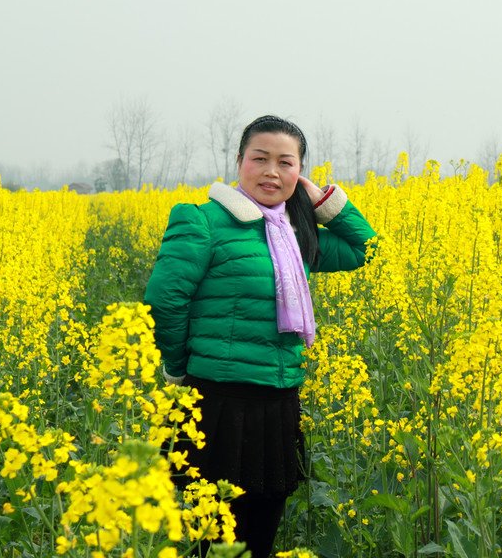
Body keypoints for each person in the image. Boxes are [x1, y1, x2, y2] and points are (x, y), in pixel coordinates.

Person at [144, 115, 376, 557]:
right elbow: (165, 301)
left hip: (278, 402)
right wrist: (178, 370)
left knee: (261, 533)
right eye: (260, 158)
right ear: (239, 161)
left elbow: (366, 250)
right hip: (217, 403)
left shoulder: (297, 233)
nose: (272, 171)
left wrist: (323, 201)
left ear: (299, 172)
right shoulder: (202, 222)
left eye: (286, 163)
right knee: (210, 538)